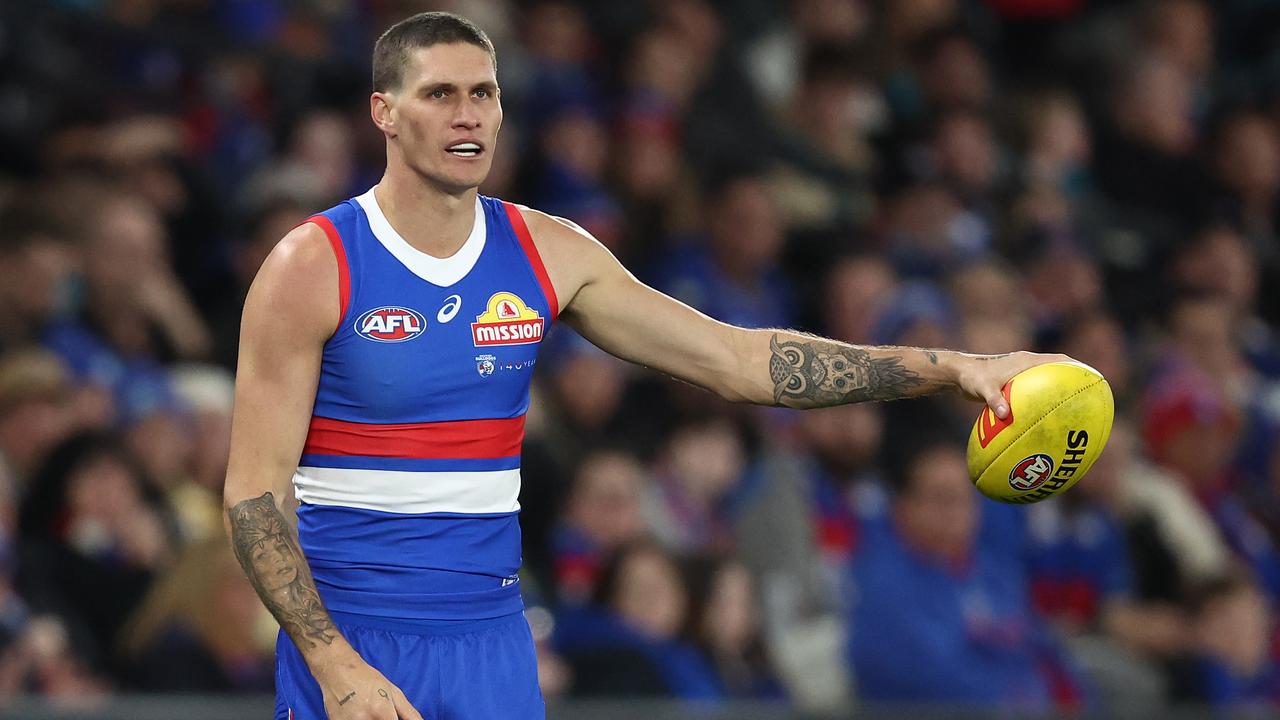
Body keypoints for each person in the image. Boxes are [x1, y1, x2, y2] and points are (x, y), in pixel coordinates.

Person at [222, 11, 1070, 720]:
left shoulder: (550, 253)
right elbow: (254, 494)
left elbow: (743, 362)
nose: (467, 115)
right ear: (384, 111)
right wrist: (333, 664)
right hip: (359, 635)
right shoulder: (315, 267)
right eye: (439, 94)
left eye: (483, 93)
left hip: (495, 643)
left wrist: (957, 366)